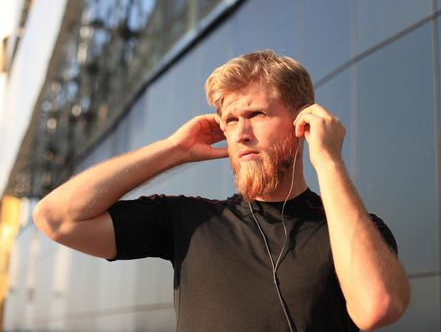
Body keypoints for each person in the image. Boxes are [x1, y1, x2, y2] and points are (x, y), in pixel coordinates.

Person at [33, 50, 410, 331]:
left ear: (303, 120)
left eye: (257, 114)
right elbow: (55, 218)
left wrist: (328, 160)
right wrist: (173, 150)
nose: (241, 133)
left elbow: (377, 305)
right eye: (230, 120)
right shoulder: (190, 221)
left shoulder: (353, 230)